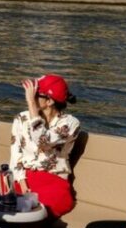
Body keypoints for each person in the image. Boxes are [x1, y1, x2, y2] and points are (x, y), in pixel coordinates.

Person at [9, 74, 80, 217]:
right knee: (13, 213)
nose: (30, 97)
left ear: (49, 101)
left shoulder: (70, 123)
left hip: (53, 181)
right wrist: (22, 184)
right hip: (24, 179)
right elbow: (15, 154)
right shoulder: (21, 118)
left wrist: (31, 104)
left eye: (35, 94)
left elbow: (43, 141)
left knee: (35, 217)